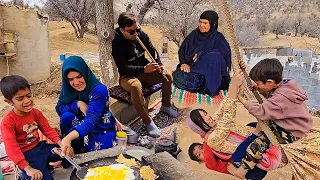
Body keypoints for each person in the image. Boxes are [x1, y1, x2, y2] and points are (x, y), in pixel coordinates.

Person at [228, 58, 313, 178]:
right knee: (253, 126)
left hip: (291, 131)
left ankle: (242, 170)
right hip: (293, 124)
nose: (257, 85)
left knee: (258, 144)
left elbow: (261, 111)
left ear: (270, 82)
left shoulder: (281, 99)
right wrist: (255, 85)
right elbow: (271, 95)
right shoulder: (286, 85)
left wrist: (242, 100)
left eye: (258, 83)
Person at [112, 12, 178, 138]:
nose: (136, 33)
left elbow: (153, 50)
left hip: (145, 71)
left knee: (167, 76)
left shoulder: (140, 34)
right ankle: (148, 122)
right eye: (131, 32)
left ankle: (165, 106)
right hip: (127, 76)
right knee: (136, 86)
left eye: (137, 29)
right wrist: (143, 69)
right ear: (122, 30)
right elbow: (123, 68)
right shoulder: (117, 42)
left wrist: (159, 64)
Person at [0, 75, 70, 180]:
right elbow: (11, 148)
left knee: (65, 154)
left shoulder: (35, 113)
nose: (27, 101)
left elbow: (47, 129)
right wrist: (28, 168)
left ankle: (46, 165)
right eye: (20, 98)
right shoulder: (8, 122)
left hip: (40, 147)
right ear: (9, 102)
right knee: (43, 177)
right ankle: (25, 174)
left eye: (28, 95)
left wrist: (61, 144)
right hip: (26, 156)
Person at [56, 56, 119, 156]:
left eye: (79, 76)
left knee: (105, 148)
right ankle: (75, 151)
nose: (76, 83)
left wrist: (68, 138)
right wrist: (77, 104)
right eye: (71, 79)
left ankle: (84, 147)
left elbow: (91, 120)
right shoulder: (69, 89)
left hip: (99, 126)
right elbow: (60, 109)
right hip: (80, 126)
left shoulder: (98, 90)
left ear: (85, 73)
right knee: (66, 117)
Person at [173, 10, 231, 96]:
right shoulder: (193, 35)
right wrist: (183, 63)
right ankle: (202, 85)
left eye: (205, 23)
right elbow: (182, 50)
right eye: (200, 22)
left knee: (215, 56)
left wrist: (202, 53)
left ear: (212, 24)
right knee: (178, 77)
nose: (201, 25)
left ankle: (209, 86)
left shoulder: (218, 37)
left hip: (212, 72)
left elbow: (223, 56)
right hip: (193, 69)